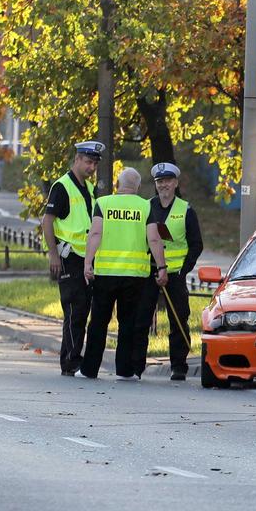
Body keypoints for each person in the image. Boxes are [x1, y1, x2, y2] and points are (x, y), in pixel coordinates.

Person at [79, 168, 167, 380]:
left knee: (98, 322)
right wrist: (162, 268)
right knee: (128, 323)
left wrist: (88, 262)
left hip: (106, 274)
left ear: (117, 184)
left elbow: (96, 233)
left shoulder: (104, 203)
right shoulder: (145, 206)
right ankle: (125, 370)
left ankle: (90, 369)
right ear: (137, 186)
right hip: (135, 276)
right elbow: (154, 240)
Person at [131, 163, 203, 381]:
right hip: (149, 271)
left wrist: (183, 270)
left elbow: (196, 244)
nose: (163, 185)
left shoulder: (186, 210)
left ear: (175, 183)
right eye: (159, 182)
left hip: (175, 274)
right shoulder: (146, 207)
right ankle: (136, 366)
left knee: (179, 319)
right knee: (141, 319)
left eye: (167, 181)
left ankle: (178, 366)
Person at [41, 142, 101, 376]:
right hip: (69, 257)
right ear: (77, 159)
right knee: (75, 310)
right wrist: (53, 255)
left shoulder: (88, 187)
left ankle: (72, 357)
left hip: (86, 258)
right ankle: (71, 361)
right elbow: (47, 221)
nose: (91, 167)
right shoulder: (62, 186)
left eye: (95, 163)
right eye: (88, 162)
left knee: (81, 310)